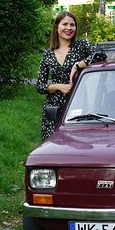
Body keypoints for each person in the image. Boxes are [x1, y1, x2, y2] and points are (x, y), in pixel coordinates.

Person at [35, 11, 104, 140]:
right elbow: (39, 86)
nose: (69, 28)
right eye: (65, 24)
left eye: (72, 25)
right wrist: (58, 86)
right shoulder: (48, 54)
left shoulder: (81, 45)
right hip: (53, 109)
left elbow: (100, 54)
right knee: (52, 147)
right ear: (56, 27)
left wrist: (78, 65)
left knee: (78, 144)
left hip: (78, 104)